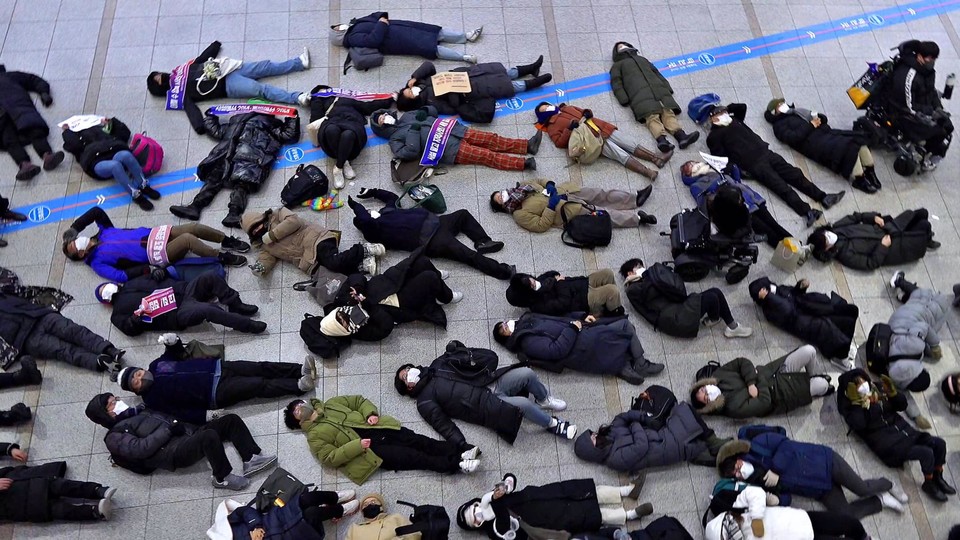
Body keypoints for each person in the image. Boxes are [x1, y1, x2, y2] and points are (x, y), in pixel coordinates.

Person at [395, 340, 577, 448]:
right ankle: (553, 425)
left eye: (409, 368)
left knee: (527, 374)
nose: (410, 372)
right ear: (408, 387)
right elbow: (443, 425)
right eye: (405, 376)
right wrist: (461, 445)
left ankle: (543, 399)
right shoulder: (424, 400)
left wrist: (459, 351)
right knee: (523, 404)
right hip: (485, 405)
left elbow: (469, 359)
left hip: (491, 381)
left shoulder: (437, 365)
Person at [86, 393, 277, 491]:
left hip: (186, 433)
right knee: (209, 437)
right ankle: (221, 478)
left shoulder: (139, 410)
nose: (118, 401)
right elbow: (140, 450)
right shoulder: (114, 436)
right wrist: (168, 431)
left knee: (230, 420)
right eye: (112, 403)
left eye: (116, 398)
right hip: (173, 452)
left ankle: (251, 458)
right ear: (106, 414)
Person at [698, 100, 844, 227]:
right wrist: (738, 170)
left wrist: (727, 109)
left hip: (766, 152)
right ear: (712, 119)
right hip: (753, 163)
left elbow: (742, 107)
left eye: (723, 112)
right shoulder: (714, 137)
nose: (723, 114)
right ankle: (807, 211)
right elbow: (721, 159)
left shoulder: (734, 120)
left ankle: (823, 196)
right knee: (781, 187)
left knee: (795, 175)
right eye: (719, 113)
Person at [113, 333, 315, 425]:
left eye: (138, 373)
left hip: (218, 366)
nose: (141, 377)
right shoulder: (152, 399)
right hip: (215, 392)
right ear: (136, 390)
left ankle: (298, 370)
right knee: (257, 385)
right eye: (136, 381)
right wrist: (206, 416)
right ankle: (298, 386)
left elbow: (173, 355)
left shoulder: (156, 366)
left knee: (260, 367)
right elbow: (180, 412)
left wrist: (172, 343)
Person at [283, 396, 482, 485]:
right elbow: (329, 457)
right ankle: (457, 464)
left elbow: (358, 401)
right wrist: (356, 446)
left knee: (419, 441)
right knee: (415, 457)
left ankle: (460, 451)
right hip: (368, 451)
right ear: (298, 421)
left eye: (301, 403)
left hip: (377, 428)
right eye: (297, 410)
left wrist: (369, 413)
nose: (302, 406)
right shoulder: (314, 437)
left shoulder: (331, 404)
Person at [309, 250, 461, 357]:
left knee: (421, 261)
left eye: (340, 316)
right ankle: (445, 297)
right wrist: (367, 306)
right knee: (429, 278)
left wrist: (357, 288)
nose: (346, 316)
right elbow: (386, 326)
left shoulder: (342, 304)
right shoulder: (362, 332)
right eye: (343, 323)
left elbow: (356, 277)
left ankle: (437, 279)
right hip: (400, 303)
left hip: (387, 283)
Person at [715, 435, 904, 518]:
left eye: (738, 466)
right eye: (737, 475)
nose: (741, 472)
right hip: (817, 489)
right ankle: (881, 501)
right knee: (845, 515)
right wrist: (776, 500)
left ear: (739, 458)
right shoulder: (755, 484)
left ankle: (888, 484)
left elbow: (786, 445)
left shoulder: (757, 445)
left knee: (861, 488)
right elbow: (787, 497)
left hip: (825, 463)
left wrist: (775, 468)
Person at [837, 369, 955, 502]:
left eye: (863, 380)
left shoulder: (878, 388)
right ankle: (928, 482)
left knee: (939, 444)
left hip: (905, 431)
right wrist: (857, 403)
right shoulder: (850, 406)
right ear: (852, 389)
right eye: (858, 384)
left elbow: (902, 405)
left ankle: (937, 477)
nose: (863, 385)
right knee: (926, 453)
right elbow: (859, 425)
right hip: (888, 444)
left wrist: (893, 394)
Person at [170, 109, 301, 228]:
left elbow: (216, 130)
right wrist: (292, 119)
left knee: (228, 182)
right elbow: (289, 134)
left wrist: (210, 118)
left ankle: (201, 207)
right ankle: (227, 212)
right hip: (240, 158)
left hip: (234, 157)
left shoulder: (266, 125)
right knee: (234, 182)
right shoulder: (256, 125)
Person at [147, 41, 311, 134]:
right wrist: (200, 127)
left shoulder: (180, 71)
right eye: (158, 79)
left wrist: (214, 46)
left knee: (266, 66)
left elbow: (200, 60)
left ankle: (299, 63)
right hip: (227, 85)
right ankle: (297, 98)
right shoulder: (178, 94)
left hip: (229, 69)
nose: (161, 76)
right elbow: (191, 109)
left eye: (158, 74)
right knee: (261, 89)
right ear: (159, 87)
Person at [349, 188, 514, 279]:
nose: (370, 211)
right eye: (367, 212)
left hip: (437, 222)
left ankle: (483, 241)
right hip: (432, 240)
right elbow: (366, 220)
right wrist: (356, 207)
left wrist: (373, 192)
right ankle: (504, 272)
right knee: (468, 256)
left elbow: (391, 197)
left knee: (462, 215)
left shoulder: (386, 213)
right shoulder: (374, 232)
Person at [62, 206, 249, 282]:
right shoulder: (97, 263)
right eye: (75, 245)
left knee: (192, 228)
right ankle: (221, 256)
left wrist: (74, 229)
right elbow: (120, 276)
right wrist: (147, 269)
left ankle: (226, 240)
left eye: (75, 240)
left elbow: (96, 211)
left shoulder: (104, 231)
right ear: (80, 254)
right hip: (157, 255)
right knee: (187, 240)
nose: (78, 241)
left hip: (156, 235)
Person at [574, 385, 728, 472]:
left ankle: (707, 446)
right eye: (592, 438)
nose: (595, 434)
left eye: (592, 434)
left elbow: (622, 417)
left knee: (681, 411)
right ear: (592, 450)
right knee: (685, 412)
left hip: (658, 436)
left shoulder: (609, 433)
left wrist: (640, 418)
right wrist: (636, 424)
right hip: (662, 446)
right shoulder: (614, 460)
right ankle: (712, 442)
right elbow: (641, 446)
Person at [457, 473, 651, 539]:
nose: (479, 514)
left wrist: (507, 483)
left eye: (475, 509)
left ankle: (627, 491)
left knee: (589, 490)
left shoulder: (495, 498)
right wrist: (492, 499)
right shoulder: (495, 532)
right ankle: (630, 514)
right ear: (477, 526)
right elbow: (505, 524)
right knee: (593, 515)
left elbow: (511, 480)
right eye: (475, 519)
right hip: (550, 519)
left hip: (545, 494)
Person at [493, 312, 664, 385]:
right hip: (579, 346)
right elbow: (555, 350)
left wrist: (580, 317)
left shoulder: (528, 320)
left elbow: (559, 318)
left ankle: (629, 364)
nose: (507, 324)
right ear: (507, 336)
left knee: (620, 331)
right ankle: (635, 363)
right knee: (623, 327)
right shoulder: (526, 342)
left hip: (582, 334)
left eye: (504, 323)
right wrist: (572, 328)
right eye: (504, 328)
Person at [879, 271, 951, 430]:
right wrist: (916, 416)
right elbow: (903, 396)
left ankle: (900, 283)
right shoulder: (895, 376)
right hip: (897, 328)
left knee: (929, 301)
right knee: (934, 309)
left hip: (904, 320)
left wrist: (934, 345)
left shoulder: (914, 346)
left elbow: (923, 327)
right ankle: (902, 293)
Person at [765, 99, 882, 193]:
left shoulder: (797, 112)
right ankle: (859, 178)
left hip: (827, 133)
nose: (783, 106)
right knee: (847, 148)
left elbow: (821, 119)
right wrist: (811, 125)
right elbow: (793, 138)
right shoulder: (779, 126)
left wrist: (819, 118)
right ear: (775, 112)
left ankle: (870, 170)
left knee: (858, 140)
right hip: (815, 143)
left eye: (782, 103)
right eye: (779, 106)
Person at [96, 271, 265, 337]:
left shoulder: (132, 281)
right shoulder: (116, 314)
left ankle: (235, 303)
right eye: (103, 290)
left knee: (209, 277)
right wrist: (136, 317)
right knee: (209, 310)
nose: (107, 288)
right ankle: (247, 325)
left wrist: (158, 273)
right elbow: (129, 329)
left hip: (183, 291)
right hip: (176, 313)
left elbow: (154, 276)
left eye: (105, 285)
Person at [371, 107, 539, 172]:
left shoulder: (408, 114)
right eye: (381, 120)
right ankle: (523, 164)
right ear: (381, 128)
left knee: (492, 139)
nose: (385, 118)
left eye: (384, 115)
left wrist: (425, 110)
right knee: (487, 156)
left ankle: (526, 146)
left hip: (455, 130)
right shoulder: (394, 140)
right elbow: (409, 152)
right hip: (449, 150)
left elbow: (433, 112)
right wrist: (414, 131)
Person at [534, 102, 671, 180]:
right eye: (544, 109)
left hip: (602, 127)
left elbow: (585, 110)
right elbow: (559, 143)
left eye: (547, 106)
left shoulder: (566, 108)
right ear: (542, 115)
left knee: (630, 143)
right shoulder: (551, 126)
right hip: (592, 140)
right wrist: (569, 129)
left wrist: (587, 112)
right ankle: (647, 172)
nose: (547, 108)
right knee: (620, 155)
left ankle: (656, 159)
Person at [620, 259, 752, 339]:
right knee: (712, 296)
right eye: (638, 267)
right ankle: (731, 327)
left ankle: (715, 319)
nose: (642, 269)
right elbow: (650, 292)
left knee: (715, 292)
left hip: (674, 309)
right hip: (672, 317)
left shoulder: (644, 281)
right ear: (630, 273)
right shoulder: (632, 289)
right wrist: (648, 274)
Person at [690, 346, 833, 419]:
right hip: (781, 395)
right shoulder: (732, 408)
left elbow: (741, 362)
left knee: (809, 351)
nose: (707, 392)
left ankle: (812, 376)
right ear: (710, 405)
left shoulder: (718, 375)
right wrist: (755, 376)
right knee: (822, 385)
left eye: (703, 390)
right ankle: (817, 384)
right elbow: (765, 401)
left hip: (773, 370)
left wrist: (751, 383)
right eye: (706, 398)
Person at [241, 206, 385, 278]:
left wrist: (272, 235)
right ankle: (363, 265)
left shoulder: (278, 214)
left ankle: (364, 249)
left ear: (261, 219)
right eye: (253, 231)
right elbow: (267, 257)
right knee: (330, 276)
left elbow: (294, 221)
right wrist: (261, 267)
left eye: (257, 225)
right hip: (307, 261)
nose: (257, 230)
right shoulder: (264, 245)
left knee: (333, 262)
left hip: (316, 240)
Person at [748, 277, 858, 369]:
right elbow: (787, 310)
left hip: (808, 308)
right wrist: (769, 298)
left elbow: (792, 293)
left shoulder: (777, 290)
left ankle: (845, 345)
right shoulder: (768, 310)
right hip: (802, 322)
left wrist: (800, 286)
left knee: (850, 312)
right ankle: (840, 357)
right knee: (827, 327)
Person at [396, 59, 552, 124]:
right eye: (410, 94)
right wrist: (451, 90)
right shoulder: (430, 103)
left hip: (470, 75)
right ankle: (537, 82)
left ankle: (532, 67)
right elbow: (452, 108)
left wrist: (415, 76)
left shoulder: (421, 81)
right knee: (508, 86)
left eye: (409, 89)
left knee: (505, 72)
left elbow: (429, 66)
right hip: (472, 90)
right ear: (413, 101)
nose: (412, 90)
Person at [681, 160, 796, 248]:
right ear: (691, 174)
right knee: (765, 230)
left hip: (749, 197)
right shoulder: (696, 185)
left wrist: (730, 167)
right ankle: (787, 251)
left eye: (697, 163)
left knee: (773, 223)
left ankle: (796, 245)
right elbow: (703, 202)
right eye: (695, 167)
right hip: (735, 206)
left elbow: (736, 179)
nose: (698, 165)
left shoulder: (715, 170)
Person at [0, 292, 124, 373]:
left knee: (75, 331)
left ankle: (107, 349)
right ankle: (98, 362)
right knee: (62, 350)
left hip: (38, 315)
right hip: (24, 339)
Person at [609, 42, 699, 152]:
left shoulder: (643, 59)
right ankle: (662, 141)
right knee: (652, 117)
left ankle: (681, 136)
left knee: (668, 113)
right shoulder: (617, 66)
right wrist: (623, 98)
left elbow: (657, 73)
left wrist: (667, 87)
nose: (623, 47)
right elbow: (616, 83)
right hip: (639, 95)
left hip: (659, 91)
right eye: (620, 47)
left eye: (624, 45)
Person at [60, 116, 161, 210]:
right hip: (95, 160)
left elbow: (124, 133)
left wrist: (112, 122)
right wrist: (67, 132)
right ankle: (135, 194)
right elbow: (74, 146)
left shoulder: (102, 128)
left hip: (113, 150)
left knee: (126, 155)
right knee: (115, 166)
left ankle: (143, 184)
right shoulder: (77, 138)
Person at [0, 441, 115, 523]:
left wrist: (9, 449)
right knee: (61, 510)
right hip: (19, 506)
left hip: (25, 482)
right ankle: (94, 512)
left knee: (63, 486)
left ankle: (97, 490)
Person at [704, 485, 872, 540]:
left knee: (850, 523)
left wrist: (756, 519)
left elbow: (755, 493)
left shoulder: (740, 510)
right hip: (805, 538)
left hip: (802, 519)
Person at [305, 84, 395, 188]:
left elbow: (367, 107)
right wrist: (316, 99)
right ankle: (344, 162)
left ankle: (338, 167)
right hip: (331, 122)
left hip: (352, 122)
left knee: (349, 134)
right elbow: (315, 120)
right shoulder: (319, 101)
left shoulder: (345, 98)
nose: (325, 93)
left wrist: (390, 99)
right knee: (331, 130)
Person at [489, 179, 657, 233]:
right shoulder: (519, 214)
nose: (503, 195)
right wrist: (550, 207)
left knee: (600, 194)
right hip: (567, 210)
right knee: (603, 215)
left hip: (568, 191)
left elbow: (540, 180)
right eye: (500, 199)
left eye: (500, 193)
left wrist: (549, 184)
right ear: (503, 206)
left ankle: (634, 199)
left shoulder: (523, 186)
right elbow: (540, 226)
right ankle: (638, 218)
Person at [888, 40, 953, 169]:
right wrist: (931, 112)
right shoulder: (908, 76)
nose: (932, 61)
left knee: (947, 126)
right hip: (904, 114)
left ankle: (932, 151)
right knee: (939, 131)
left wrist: (938, 107)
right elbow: (908, 106)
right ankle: (927, 155)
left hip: (923, 107)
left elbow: (931, 92)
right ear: (919, 56)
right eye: (930, 58)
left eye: (934, 58)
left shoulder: (927, 71)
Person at [330, 12, 483, 64]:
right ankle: (464, 57)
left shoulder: (354, 25)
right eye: (336, 29)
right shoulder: (352, 39)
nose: (339, 26)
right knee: (431, 47)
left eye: (336, 26)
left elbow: (372, 16)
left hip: (400, 28)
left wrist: (381, 16)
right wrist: (382, 23)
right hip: (397, 41)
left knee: (436, 32)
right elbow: (373, 40)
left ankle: (466, 36)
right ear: (339, 35)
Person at [807, 209, 937, 270]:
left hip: (887, 228)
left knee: (922, 213)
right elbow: (870, 263)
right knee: (923, 226)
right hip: (892, 247)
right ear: (826, 248)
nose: (829, 236)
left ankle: (925, 237)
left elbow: (856, 217)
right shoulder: (845, 255)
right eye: (826, 240)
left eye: (826, 233)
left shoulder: (837, 227)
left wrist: (873, 217)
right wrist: (883, 247)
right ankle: (926, 240)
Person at [211, 489, 359, 540]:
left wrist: (254, 527)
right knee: (311, 514)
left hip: (275, 518)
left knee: (306, 498)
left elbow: (244, 511)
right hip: (288, 536)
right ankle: (341, 510)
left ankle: (335, 497)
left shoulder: (224, 530)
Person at [0, 65, 64, 180]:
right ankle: (27, 164)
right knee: (11, 140)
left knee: (32, 130)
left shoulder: (10, 76)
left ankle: (45, 156)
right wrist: (44, 92)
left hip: (19, 110)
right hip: (14, 113)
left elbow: (33, 80)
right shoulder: (10, 76)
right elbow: (33, 80)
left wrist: (44, 92)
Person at [505, 269, 624, 317]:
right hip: (582, 300)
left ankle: (611, 303)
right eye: (531, 284)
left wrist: (553, 280)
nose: (534, 281)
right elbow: (564, 304)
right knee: (612, 291)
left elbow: (551, 274)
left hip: (580, 284)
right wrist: (559, 283)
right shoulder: (538, 306)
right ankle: (613, 312)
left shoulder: (538, 282)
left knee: (607, 273)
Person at [345, 494, 419, 540]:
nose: (369, 505)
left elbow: (415, 535)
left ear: (381, 507)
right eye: (365, 504)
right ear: (363, 511)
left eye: (373, 502)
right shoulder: (354, 529)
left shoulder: (396, 518)